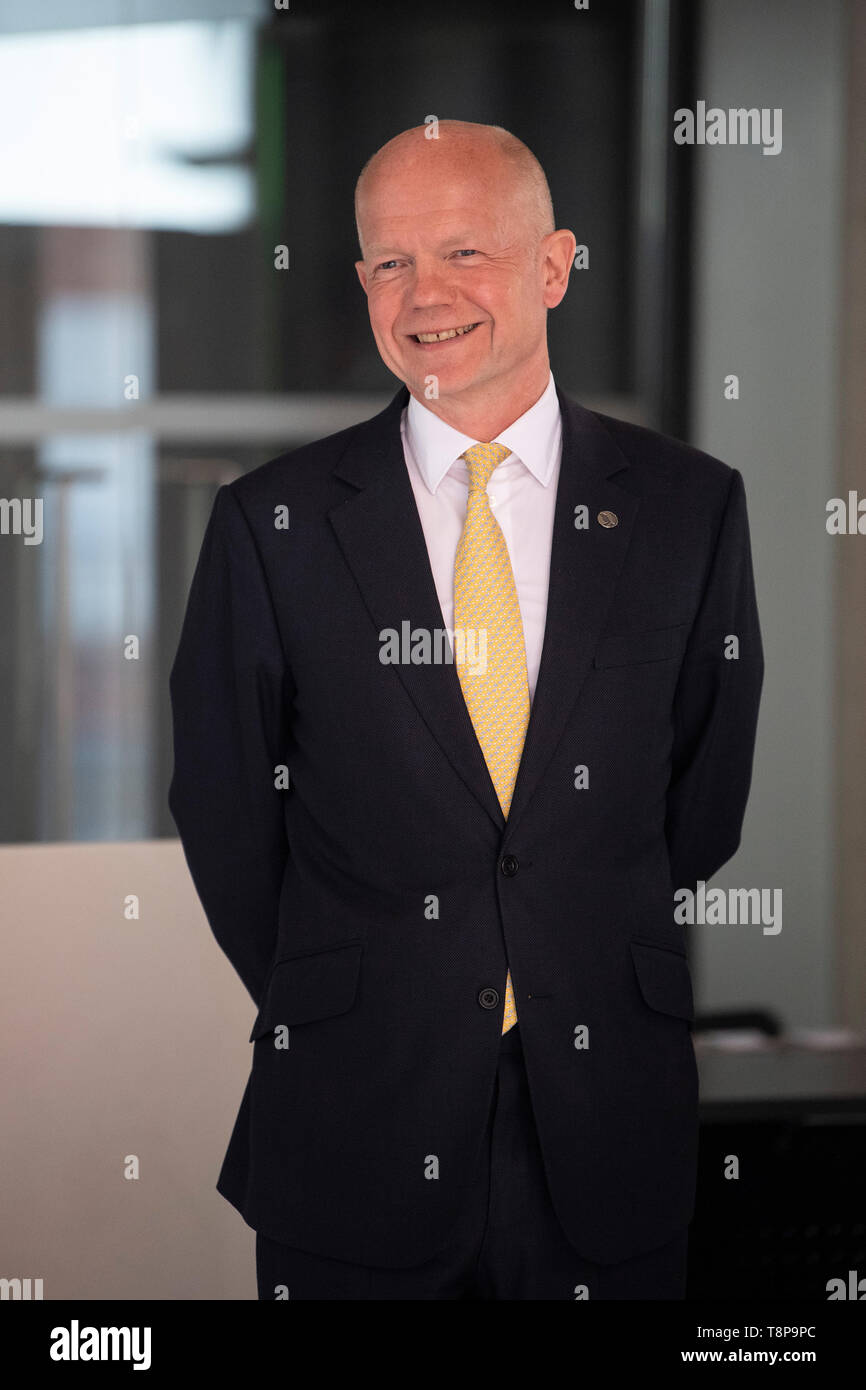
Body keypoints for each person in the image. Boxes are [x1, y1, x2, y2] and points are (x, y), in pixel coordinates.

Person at [168, 119, 763, 1300]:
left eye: (460, 254)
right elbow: (228, 815)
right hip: (353, 1117)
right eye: (389, 263)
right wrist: (361, 984)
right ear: (359, 284)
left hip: (605, 1127)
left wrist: (561, 939)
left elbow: (699, 803)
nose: (421, 295)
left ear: (552, 266)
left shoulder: (687, 509)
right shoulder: (270, 523)